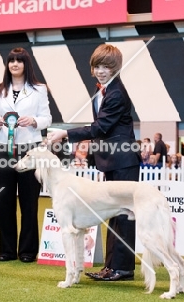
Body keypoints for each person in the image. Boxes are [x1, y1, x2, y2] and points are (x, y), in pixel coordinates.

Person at [48, 44, 141, 281]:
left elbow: (100, 127)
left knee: (124, 216)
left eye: (107, 67)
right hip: (113, 160)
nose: (101, 71)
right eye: (97, 66)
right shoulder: (104, 91)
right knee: (113, 214)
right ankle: (112, 266)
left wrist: (65, 133)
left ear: (116, 68)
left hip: (123, 160)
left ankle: (122, 268)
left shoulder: (117, 93)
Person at [0, 47, 52, 263]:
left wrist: (34, 121)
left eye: (19, 61)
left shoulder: (39, 89)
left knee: (29, 201)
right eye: (11, 61)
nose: (15, 64)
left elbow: (47, 118)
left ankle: (27, 250)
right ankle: (6, 250)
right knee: (4, 200)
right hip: (3, 149)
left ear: (26, 64)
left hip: (30, 148)